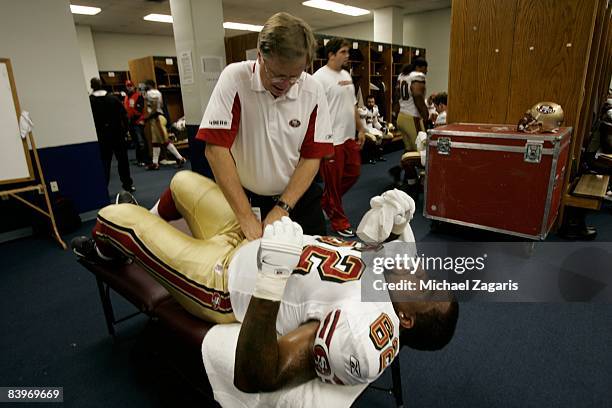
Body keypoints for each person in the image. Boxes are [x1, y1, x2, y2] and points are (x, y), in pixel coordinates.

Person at [71, 170, 458, 391]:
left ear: (404, 320)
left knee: (112, 217)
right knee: (183, 182)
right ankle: (152, 233)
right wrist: (380, 229)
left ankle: (113, 248)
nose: (421, 272)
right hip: (251, 237)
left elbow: (257, 375)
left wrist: (273, 277)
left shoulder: (361, 322)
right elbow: (348, 259)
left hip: (220, 281)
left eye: (425, 287)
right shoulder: (388, 277)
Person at [197, 12, 333, 240]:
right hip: (248, 199)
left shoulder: (313, 89)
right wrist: (245, 216)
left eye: (295, 76)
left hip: (298, 199)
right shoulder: (235, 78)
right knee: (254, 269)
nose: (287, 85)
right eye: (278, 75)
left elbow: (312, 157)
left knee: (312, 264)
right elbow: (215, 150)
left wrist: (282, 208)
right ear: (260, 56)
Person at [313, 37, 366, 238]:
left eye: (347, 52)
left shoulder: (346, 74)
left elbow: (351, 104)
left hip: (347, 138)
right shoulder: (319, 78)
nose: (347, 55)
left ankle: (326, 201)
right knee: (333, 185)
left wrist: (361, 129)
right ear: (331, 54)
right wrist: (321, 143)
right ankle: (338, 220)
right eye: (343, 52)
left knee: (354, 173)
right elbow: (314, 112)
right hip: (330, 140)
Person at [89, 77, 135, 193]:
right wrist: (125, 132)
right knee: (123, 161)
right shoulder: (113, 99)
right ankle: (127, 185)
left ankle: (104, 188)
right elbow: (124, 117)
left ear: (91, 86)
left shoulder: (90, 101)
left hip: (101, 136)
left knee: (105, 163)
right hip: (117, 134)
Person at [390, 58, 428, 192]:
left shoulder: (402, 75)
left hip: (401, 116)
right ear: (419, 67)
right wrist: (425, 115)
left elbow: (396, 96)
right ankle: (416, 183)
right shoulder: (417, 76)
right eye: (425, 68)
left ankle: (410, 180)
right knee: (422, 153)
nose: (426, 71)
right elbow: (417, 95)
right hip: (412, 118)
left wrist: (395, 115)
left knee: (409, 151)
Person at [143, 79, 186, 170]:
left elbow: (154, 103)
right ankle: (155, 163)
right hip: (158, 117)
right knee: (156, 142)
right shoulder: (158, 92)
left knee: (164, 140)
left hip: (156, 118)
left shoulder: (151, 93)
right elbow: (161, 104)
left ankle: (180, 158)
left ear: (149, 85)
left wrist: (151, 114)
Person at [359, 94, 392, 164]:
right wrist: (373, 133)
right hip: (365, 130)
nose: (371, 103)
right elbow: (363, 126)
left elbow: (376, 122)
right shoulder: (363, 110)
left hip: (371, 129)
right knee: (374, 138)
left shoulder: (375, 109)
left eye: (372, 102)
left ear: (374, 102)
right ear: (366, 102)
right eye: (369, 102)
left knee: (388, 135)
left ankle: (378, 155)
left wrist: (381, 128)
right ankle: (369, 157)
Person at [123, 80, 149, 166]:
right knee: (136, 142)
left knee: (141, 142)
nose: (129, 87)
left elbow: (139, 110)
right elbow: (125, 110)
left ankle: (146, 160)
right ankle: (139, 160)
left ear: (134, 86)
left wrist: (132, 118)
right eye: (127, 86)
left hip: (137, 122)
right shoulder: (126, 97)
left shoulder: (138, 96)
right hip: (130, 123)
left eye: (130, 86)